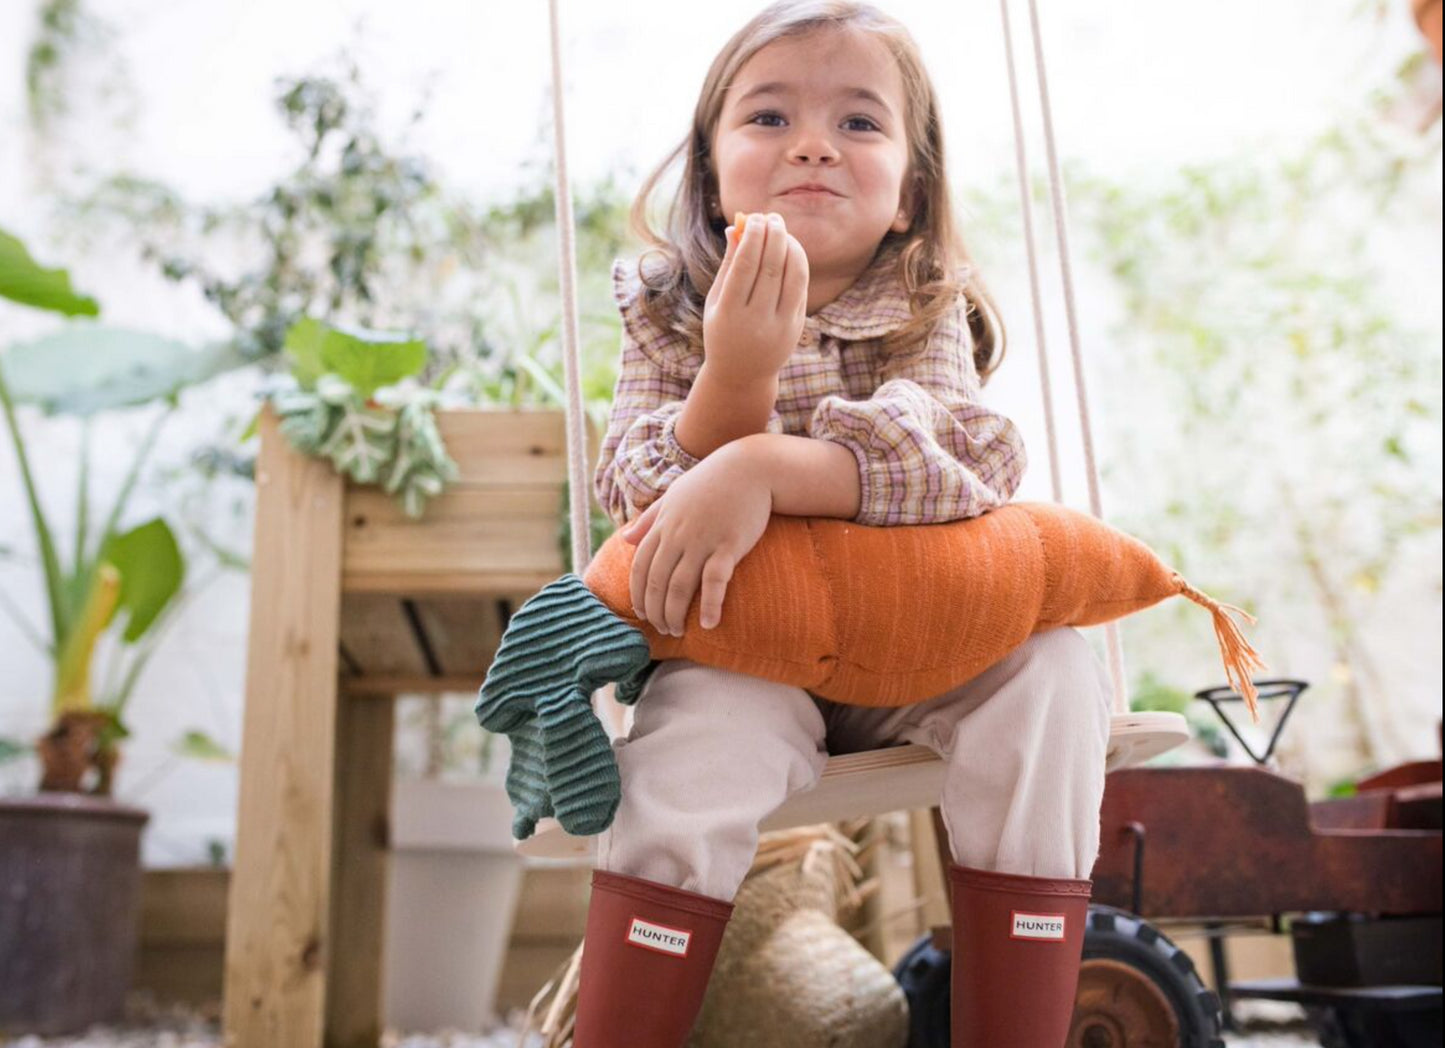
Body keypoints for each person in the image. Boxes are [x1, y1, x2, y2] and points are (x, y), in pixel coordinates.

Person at [577, 3, 1111, 1045]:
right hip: (741, 655)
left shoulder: (922, 302)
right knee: (686, 751)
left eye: (858, 124)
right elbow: (641, 500)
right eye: (768, 117)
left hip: (916, 649)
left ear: (909, 189)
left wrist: (764, 469)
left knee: (1051, 670)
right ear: (709, 170)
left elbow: (955, 465)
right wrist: (735, 374)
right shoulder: (661, 307)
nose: (812, 142)